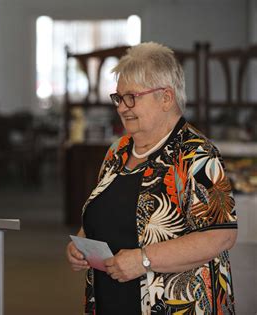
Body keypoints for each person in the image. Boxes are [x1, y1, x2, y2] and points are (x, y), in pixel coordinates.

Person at [66, 42, 237, 314]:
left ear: (166, 97)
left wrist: (144, 260)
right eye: (119, 98)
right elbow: (110, 212)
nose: (122, 107)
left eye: (132, 97)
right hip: (112, 298)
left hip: (178, 305)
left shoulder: (196, 154)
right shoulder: (118, 151)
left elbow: (220, 236)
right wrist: (83, 241)